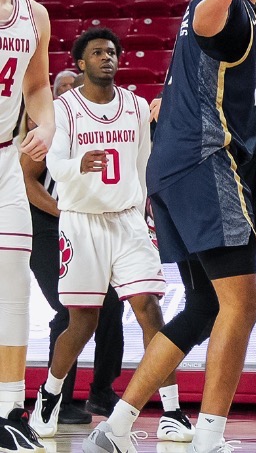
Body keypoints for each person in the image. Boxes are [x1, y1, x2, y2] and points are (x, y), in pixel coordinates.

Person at [84, 0, 256, 453]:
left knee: (205, 306)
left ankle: (116, 428)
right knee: (243, 302)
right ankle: (209, 437)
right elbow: (215, 23)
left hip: (170, 167)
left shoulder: (213, 1)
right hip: (204, 161)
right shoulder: (223, 1)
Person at [24, 23, 168, 444]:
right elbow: (46, 168)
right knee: (80, 319)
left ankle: (171, 409)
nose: (107, 58)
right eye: (98, 53)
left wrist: (143, 210)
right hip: (75, 221)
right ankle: (51, 395)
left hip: (126, 219)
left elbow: (144, 163)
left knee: (147, 308)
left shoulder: (136, 106)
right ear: (80, 63)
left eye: (112, 52)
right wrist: (76, 175)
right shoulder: (61, 111)